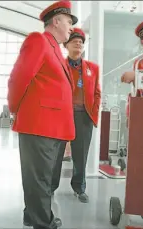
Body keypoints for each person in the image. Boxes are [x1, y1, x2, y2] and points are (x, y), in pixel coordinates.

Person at [7, 1, 77, 228]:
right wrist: (15, 109)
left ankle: (34, 215)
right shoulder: (38, 41)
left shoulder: (56, 49)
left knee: (45, 178)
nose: (71, 28)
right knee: (40, 178)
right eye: (68, 22)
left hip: (53, 127)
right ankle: (43, 222)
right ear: (55, 22)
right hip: (38, 124)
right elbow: (18, 78)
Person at [51, 28, 101, 203]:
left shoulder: (92, 68)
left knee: (81, 155)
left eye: (81, 42)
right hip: (62, 117)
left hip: (83, 117)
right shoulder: (58, 65)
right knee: (56, 154)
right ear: (66, 45)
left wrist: (93, 115)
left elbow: (97, 93)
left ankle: (79, 188)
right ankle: (51, 187)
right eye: (74, 41)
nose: (78, 44)